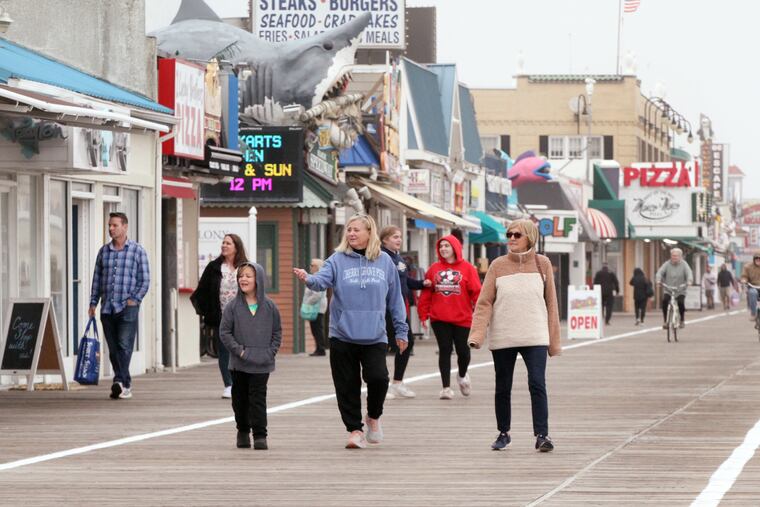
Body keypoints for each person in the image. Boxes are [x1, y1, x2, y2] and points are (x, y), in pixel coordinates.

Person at [293, 213, 408, 449]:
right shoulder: (337, 259)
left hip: (374, 334)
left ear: (369, 233)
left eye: (356, 230)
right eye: (349, 229)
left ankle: (373, 417)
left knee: (378, 378)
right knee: (346, 384)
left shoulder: (385, 261)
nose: (351, 233)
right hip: (342, 333)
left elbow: (395, 299)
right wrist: (308, 278)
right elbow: (320, 281)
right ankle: (355, 430)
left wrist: (401, 330)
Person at [468, 219, 561, 453]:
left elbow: (552, 303)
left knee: (537, 383)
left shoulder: (543, 264)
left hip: (536, 335)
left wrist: (554, 342)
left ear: (529, 236)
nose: (511, 238)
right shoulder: (497, 265)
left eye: (517, 235)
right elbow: (484, 302)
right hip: (504, 335)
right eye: (509, 234)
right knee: (502, 386)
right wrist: (477, 335)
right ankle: (503, 432)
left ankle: (542, 434)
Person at [219, 262, 282, 450]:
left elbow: (277, 332)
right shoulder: (232, 307)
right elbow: (225, 332)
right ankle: (243, 430)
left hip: (262, 363)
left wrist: (270, 352)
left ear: (259, 280)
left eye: (248, 276)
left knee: (258, 398)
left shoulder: (270, 307)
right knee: (240, 399)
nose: (243, 279)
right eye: (241, 276)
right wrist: (240, 351)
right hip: (239, 363)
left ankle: (260, 435)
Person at [89, 212, 150, 400]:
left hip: (128, 306)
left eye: (114, 225)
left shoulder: (137, 250)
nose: (111, 228)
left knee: (125, 345)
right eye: (109, 225)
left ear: (125, 226)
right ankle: (125, 383)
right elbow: (97, 279)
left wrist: (135, 299)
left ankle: (119, 380)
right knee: (114, 348)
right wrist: (93, 302)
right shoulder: (103, 251)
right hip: (107, 307)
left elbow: (145, 279)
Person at [417, 235, 481, 400]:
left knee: (464, 352)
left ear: (455, 248)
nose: (443, 249)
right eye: (441, 246)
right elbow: (426, 293)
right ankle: (445, 388)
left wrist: (481, 314)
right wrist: (423, 314)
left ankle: (461, 375)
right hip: (440, 318)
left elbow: (477, 292)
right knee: (445, 350)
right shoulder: (434, 268)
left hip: (463, 318)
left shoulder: (468, 268)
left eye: (447, 246)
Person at [191, 234, 249, 399]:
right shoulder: (214, 267)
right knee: (224, 351)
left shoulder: (245, 267)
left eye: (228, 243)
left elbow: (254, 290)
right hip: (221, 317)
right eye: (223, 243)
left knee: (240, 351)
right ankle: (229, 385)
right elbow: (202, 290)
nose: (224, 246)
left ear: (236, 247)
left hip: (242, 317)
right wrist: (207, 311)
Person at [380, 226, 432, 399]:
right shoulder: (380, 256)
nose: (399, 240)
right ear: (384, 239)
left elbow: (405, 281)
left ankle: (397, 382)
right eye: (395, 237)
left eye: (400, 237)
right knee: (382, 345)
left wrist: (421, 284)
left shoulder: (399, 258)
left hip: (399, 308)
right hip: (384, 308)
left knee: (406, 342)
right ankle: (381, 384)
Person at [655, 248, 693, 329]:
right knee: (665, 301)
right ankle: (665, 321)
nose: (674, 257)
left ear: (680, 256)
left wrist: (689, 281)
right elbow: (660, 272)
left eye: (676, 256)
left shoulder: (684, 264)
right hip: (668, 289)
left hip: (680, 289)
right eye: (672, 255)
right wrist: (658, 280)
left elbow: (689, 273)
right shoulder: (667, 264)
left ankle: (682, 320)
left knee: (680, 303)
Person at [302, 258, 329, 356]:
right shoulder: (314, 276)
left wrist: (307, 303)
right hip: (315, 308)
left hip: (316, 308)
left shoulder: (319, 277)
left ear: (318, 267)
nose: (310, 267)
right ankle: (319, 348)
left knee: (317, 329)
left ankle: (321, 349)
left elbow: (317, 295)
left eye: (312, 265)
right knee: (315, 329)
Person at [740, 253, 760, 321]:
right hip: (753, 286)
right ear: (754, 259)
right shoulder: (748, 267)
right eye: (756, 258)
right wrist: (744, 280)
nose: (758, 260)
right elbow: (744, 276)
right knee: (752, 293)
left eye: (759, 258)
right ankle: (753, 314)